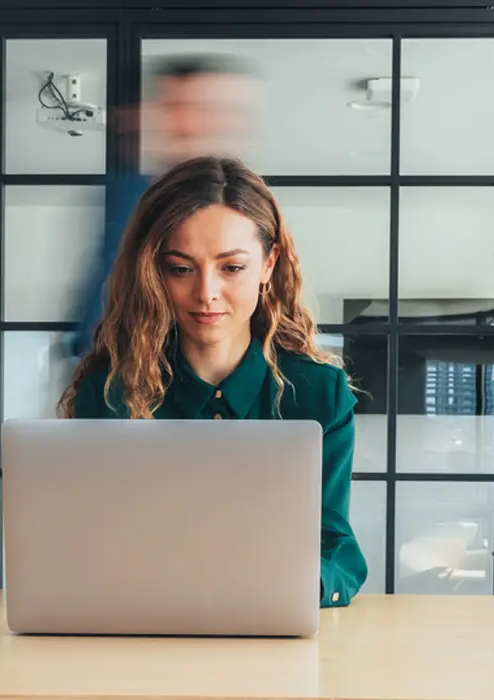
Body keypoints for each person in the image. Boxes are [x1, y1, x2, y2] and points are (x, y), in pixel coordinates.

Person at [59, 156, 368, 607]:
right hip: (142, 631)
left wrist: (294, 585)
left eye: (232, 268)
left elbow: (336, 548)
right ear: (154, 272)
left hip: (270, 628)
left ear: (268, 265)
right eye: (181, 268)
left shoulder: (319, 394)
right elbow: (85, 546)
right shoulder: (111, 393)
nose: (206, 293)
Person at [70, 54, 259, 357]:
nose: (188, 125)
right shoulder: (127, 197)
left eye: (208, 112)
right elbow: (96, 316)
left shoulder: (252, 212)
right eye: (177, 110)